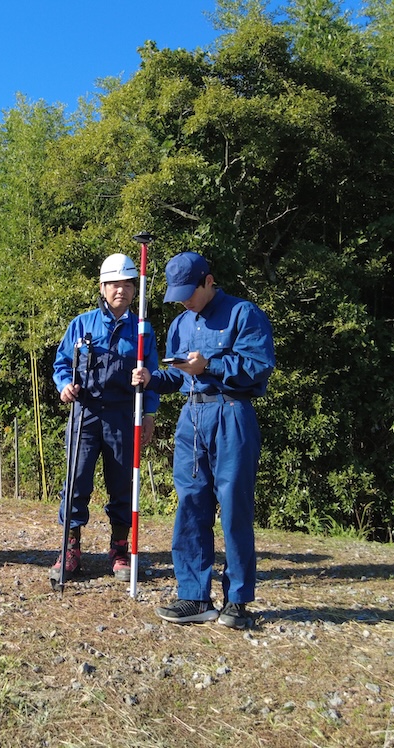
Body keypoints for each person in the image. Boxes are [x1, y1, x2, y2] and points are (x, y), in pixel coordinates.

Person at [132, 252, 275, 629]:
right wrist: (150, 378)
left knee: (234, 508)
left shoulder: (244, 314)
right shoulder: (180, 324)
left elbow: (259, 367)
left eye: (189, 292)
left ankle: (238, 600)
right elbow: (179, 377)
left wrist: (210, 365)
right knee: (190, 504)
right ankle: (194, 595)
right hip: (191, 418)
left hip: (232, 414)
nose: (184, 301)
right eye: (177, 294)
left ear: (208, 281)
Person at [50, 253, 160, 585]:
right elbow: (60, 366)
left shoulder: (143, 330)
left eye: (127, 284)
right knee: (76, 480)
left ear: (133, 288)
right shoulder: (81, 325)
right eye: (114, 283)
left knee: (122, 483)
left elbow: (152, 375)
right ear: (102, 286)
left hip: (123, 416)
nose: (121, 290)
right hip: (84, 413)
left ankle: (119, 549)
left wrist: (149, 415)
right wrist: (63, 387)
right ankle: (70, 550)